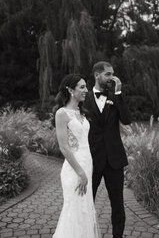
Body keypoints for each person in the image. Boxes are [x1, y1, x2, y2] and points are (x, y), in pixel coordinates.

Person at [84, 61, 132, 238]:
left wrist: (118, 93)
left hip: (114, 160)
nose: (112, 77)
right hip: (92, 159)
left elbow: (127, 120)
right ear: (97, 75)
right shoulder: (85, 98)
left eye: (113, 74)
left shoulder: (115, 97)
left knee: (118, 205)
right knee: (87, 204)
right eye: (108, 74)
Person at [53, 74, 101, 238]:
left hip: (87, 165)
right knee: (74, 210)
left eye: (85, 87)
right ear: (70, 90)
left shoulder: (81, 112)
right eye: (82, 87)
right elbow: (64, 147)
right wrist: (80, 173)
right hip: (74, 169)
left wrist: (87, 170)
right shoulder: (62, 113)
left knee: (85, 210)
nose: (86, 90)